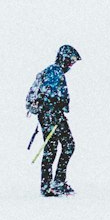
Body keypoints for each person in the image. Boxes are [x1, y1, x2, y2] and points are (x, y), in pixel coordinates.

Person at [26, 45, 81, 196]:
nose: (71, 66)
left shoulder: (54, 71)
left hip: (52, 115)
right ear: (63, 59)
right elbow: (49, 94)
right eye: (70, 62)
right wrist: (55, 109)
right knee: (55, 148)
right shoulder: (54, 72)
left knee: (64, 145)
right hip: (51, 116)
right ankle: (50, 185)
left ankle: (55, 183)